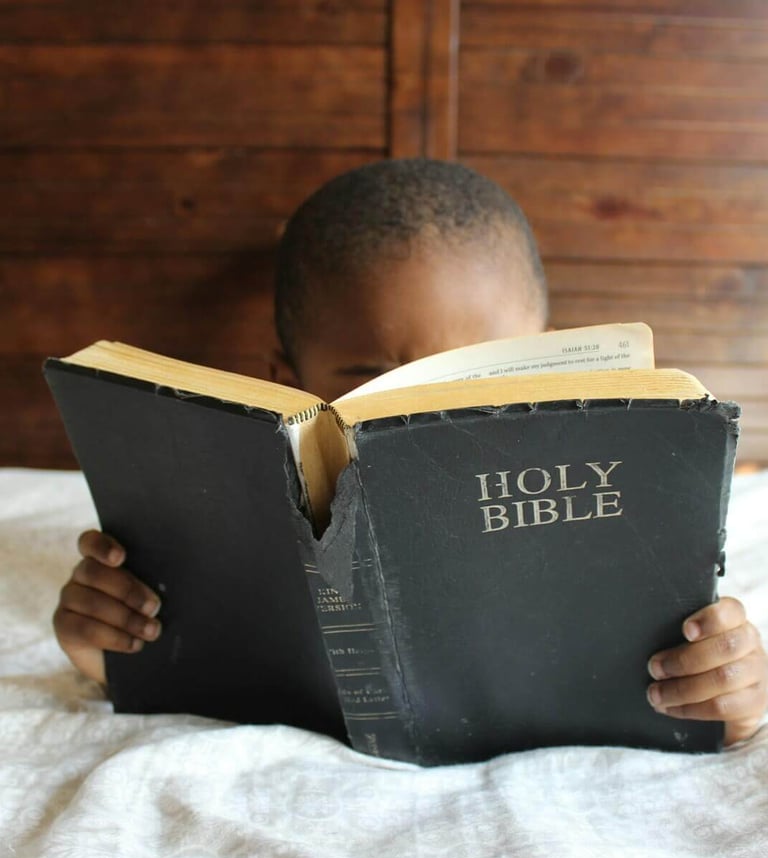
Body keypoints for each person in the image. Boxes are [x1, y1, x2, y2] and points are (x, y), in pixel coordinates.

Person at [53, 158, 768, 747]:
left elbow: (706, 683)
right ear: (285, 382)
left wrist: (727, 692)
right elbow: (170, 659)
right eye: (375, 381)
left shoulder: (618, 499)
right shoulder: (233, 514)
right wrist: (109, 646)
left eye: (485, 372)